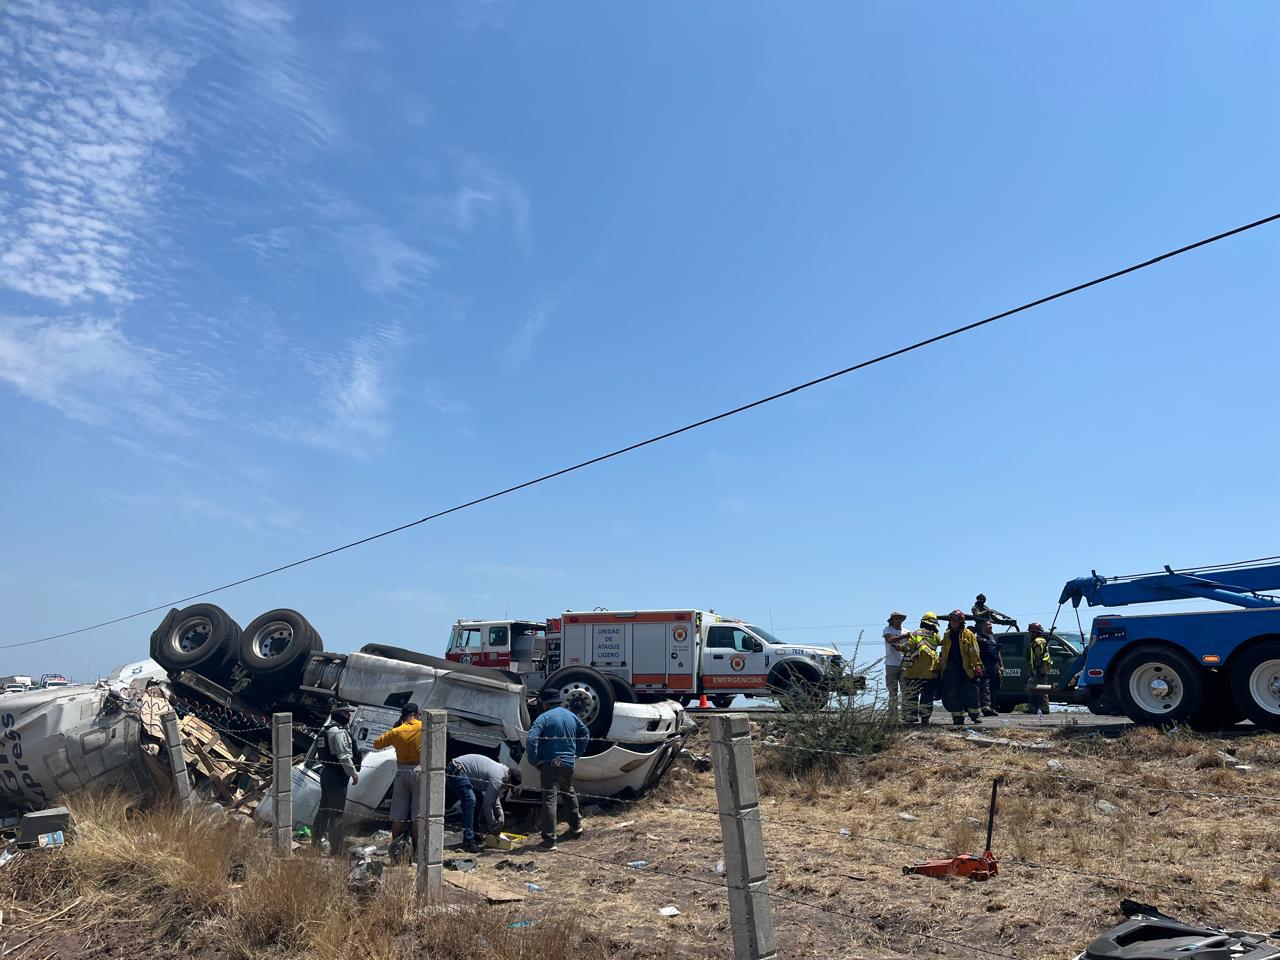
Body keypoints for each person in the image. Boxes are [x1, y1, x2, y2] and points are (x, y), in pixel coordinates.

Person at [526, 689, 589, 851]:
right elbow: (585, 733)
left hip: (550, 763)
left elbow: (532, 738)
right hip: (568, 763)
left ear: (545, 704)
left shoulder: (543, 718)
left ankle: (549, 841)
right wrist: (577, 753)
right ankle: (576, 826)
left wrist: (534, 760)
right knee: (568, 792)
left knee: (549, 799)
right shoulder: (571, 716)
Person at [373, 702, 422, 861]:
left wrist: (395, 729)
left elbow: (377, 744)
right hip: (419, 770)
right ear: (417, 713)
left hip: (402, 771)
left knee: (398, 815)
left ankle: (396, 853)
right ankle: (416, 853)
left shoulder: (396, 731)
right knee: (418, 816)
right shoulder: (423, 727)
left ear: (403, 715)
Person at [447, 754, 522, 853]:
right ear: (509, 781)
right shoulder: (498, 777)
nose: (507, 789)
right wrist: (494, 826)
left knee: (478, 799)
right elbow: (487, 805)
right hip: (456, 770)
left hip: (461, 771)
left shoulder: (501, 773)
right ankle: (468, 842)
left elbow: (493, 798)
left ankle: (474, 834)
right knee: (470, 800)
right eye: (509, 787)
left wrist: (501, 815)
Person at [313, 703, 359, 856]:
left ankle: (316, 843)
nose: (349, 716)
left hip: (327, 773)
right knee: (337, 814)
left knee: (324, 809)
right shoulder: (337, 732)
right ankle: (336, 850)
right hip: (337, 775)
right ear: (339, 714)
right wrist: (353, 773)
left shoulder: (326, 730)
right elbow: (344, 755)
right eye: (346, 713)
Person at [940, 609, 984, 725]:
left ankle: (974, 715)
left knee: (972, 692)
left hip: (966, 668)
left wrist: (977, 666)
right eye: (951, 620)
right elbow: (943, 653)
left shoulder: (968, 634)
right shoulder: (946, 635)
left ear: (961, 621)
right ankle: (957, 717)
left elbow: (974, 651)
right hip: (951, 668)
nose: (952, 622)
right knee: (953, 693)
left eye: (955, 620)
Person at [900, 612, 942, 724]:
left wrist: (900, 647)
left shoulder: (914, 634)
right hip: (930, 672)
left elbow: (908, 647)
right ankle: (925, 717)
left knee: (912, 695)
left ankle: (911, 717)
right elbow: (940, 644)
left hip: (912, 671)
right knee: (927, 696)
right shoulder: (936, 635)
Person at [882, 611, 909, 718]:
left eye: (900, 618)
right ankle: (893, 716)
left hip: (904, 664)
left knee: (906, 691)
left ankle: (906, 715)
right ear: (892, 620)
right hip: (891, 664)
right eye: (896, 618)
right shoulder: (887, 630)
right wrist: (903, 637)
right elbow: (889, 640)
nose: (898, 620)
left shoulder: (906, 631)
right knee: (893, 692)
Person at [975, 619, 1004, 717]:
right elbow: (975, 652)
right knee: (985, 687)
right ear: (983, 627)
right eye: (988, 625)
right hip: (985, 665)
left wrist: (1001, 665)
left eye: (991, 625)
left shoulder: (993, 638)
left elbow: (997, 652)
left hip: (994, 666)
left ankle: (993, 708)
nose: (990, 627)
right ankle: (986, 708)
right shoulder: (978, 638)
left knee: (995, 687)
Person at [1025, 623, 1053, 716]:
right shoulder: (1037, 641)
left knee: (1040, 689)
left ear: (1035, 632)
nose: (1030, 634)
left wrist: (1037, 667)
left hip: (1040, 669)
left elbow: (1038, 655)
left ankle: (1044, 708)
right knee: (1032, 687)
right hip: (1037, 668)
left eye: (1031, 632)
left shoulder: (1038, 641)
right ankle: (1033, 707)